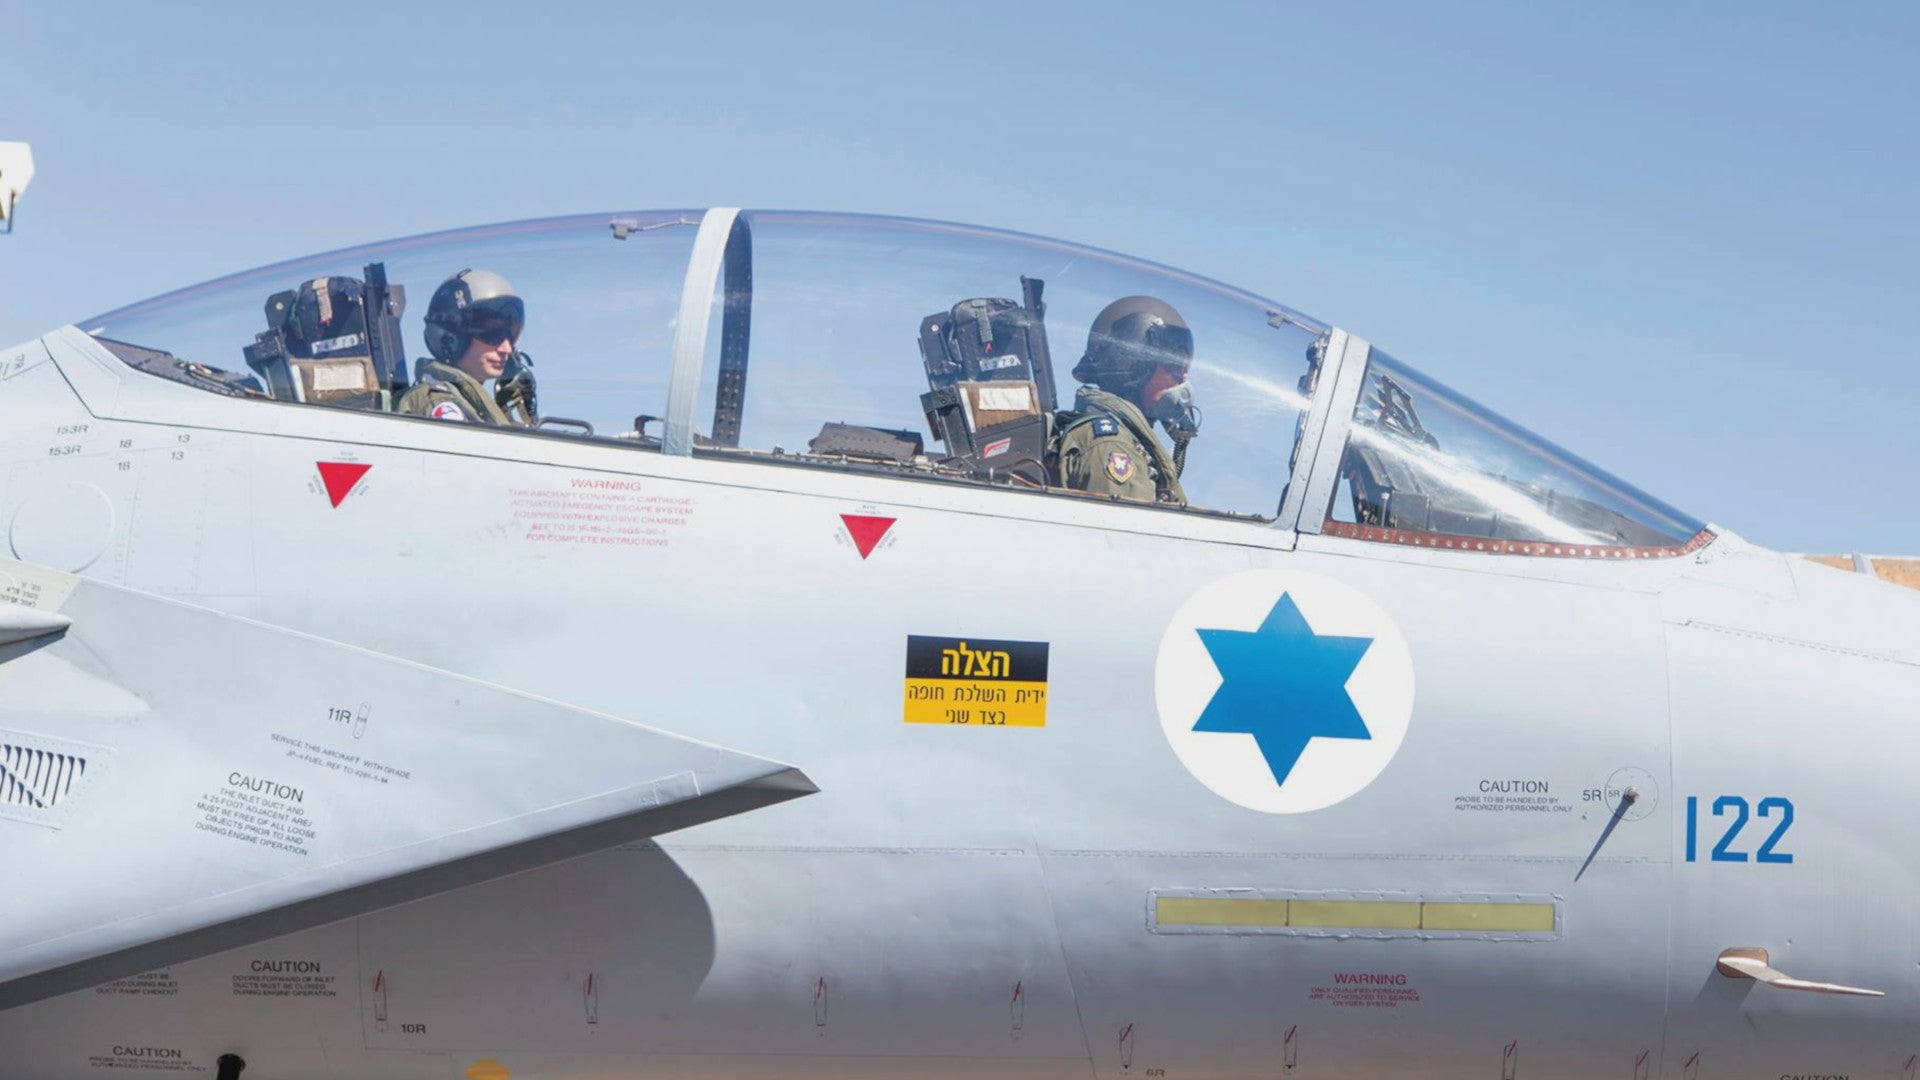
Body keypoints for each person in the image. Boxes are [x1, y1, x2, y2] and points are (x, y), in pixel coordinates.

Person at [1051, 295, 1198, 504]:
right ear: (1135, 367)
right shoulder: (1112, 446)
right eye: (1174, 366)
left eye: (1185, 368)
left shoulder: (1128, 441)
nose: (1183, 377)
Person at [396, 269, 533, 425]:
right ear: (453, 337)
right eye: (492, 334)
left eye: (510, 335)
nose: (506, 349)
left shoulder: (476, 410)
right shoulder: (439, 401)